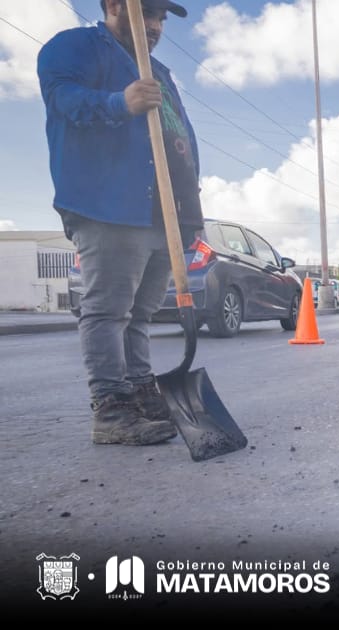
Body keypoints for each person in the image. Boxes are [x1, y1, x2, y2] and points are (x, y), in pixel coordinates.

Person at [37, 0, 196, 446]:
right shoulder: (75, 47)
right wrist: (118, 102)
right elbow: (63, 99)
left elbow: (180, 141)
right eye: (147, 13)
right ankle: (111, 408)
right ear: (112, 5)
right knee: (108, 311)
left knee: (140, 313)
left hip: (163, 213)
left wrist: (192, 214)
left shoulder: (160, 73)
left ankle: (141, 393)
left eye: (162, 18)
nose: (155, 25)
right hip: (107, 205)